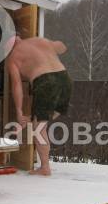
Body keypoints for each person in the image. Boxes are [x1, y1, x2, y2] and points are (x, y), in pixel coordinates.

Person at [6, 35, 72, 175]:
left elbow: (17, 86)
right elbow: (62, 47)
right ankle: (31, 119)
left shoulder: (13, 56)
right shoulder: (40, 40)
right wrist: (55, 46)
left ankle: (45, 168)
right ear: (18, 38)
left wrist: (19, 111)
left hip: (45, 82)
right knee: (45, 117)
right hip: (65, 79)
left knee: (39, 128)